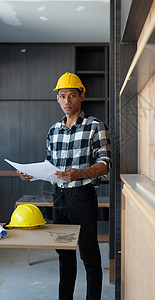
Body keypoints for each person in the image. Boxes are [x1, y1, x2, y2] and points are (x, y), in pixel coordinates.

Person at [18, 72, 112, 300]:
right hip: (59, 197)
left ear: (81, 96)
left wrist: (82, 173)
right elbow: (50, 166)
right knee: (64, 255)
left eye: (72, 95)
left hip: (83, 197)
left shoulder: (95, 126)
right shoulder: (53, 131)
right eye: (62, 96)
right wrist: (32, 174)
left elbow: (106, 163)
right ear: (57, 99)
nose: (67, 101)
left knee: (89, 257)